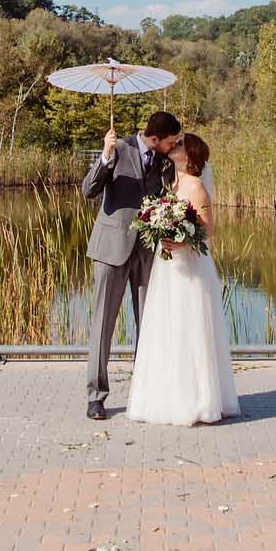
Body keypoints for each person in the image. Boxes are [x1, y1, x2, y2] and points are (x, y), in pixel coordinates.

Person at [125, 132, 238, 426]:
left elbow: (208, 229)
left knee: (191, 327)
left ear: (190, 156)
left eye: (179, 145)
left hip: (190, 267)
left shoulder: (196, 187)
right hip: (167, 268)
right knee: (168, 327)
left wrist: (183, 241)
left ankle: (198, 399)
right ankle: (168, 396)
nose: (172, 147)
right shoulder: (170, 184)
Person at [80, 109, 180, 420]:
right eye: (170, 142)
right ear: (154, 138)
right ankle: (96, 396)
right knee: (103, 326)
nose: (173, 146)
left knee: (149, 326)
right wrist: (106, 156)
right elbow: (88, 190)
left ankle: (144, 392)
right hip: (111, 249)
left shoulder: (166, 160)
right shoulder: (120, 148)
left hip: (147, 252)